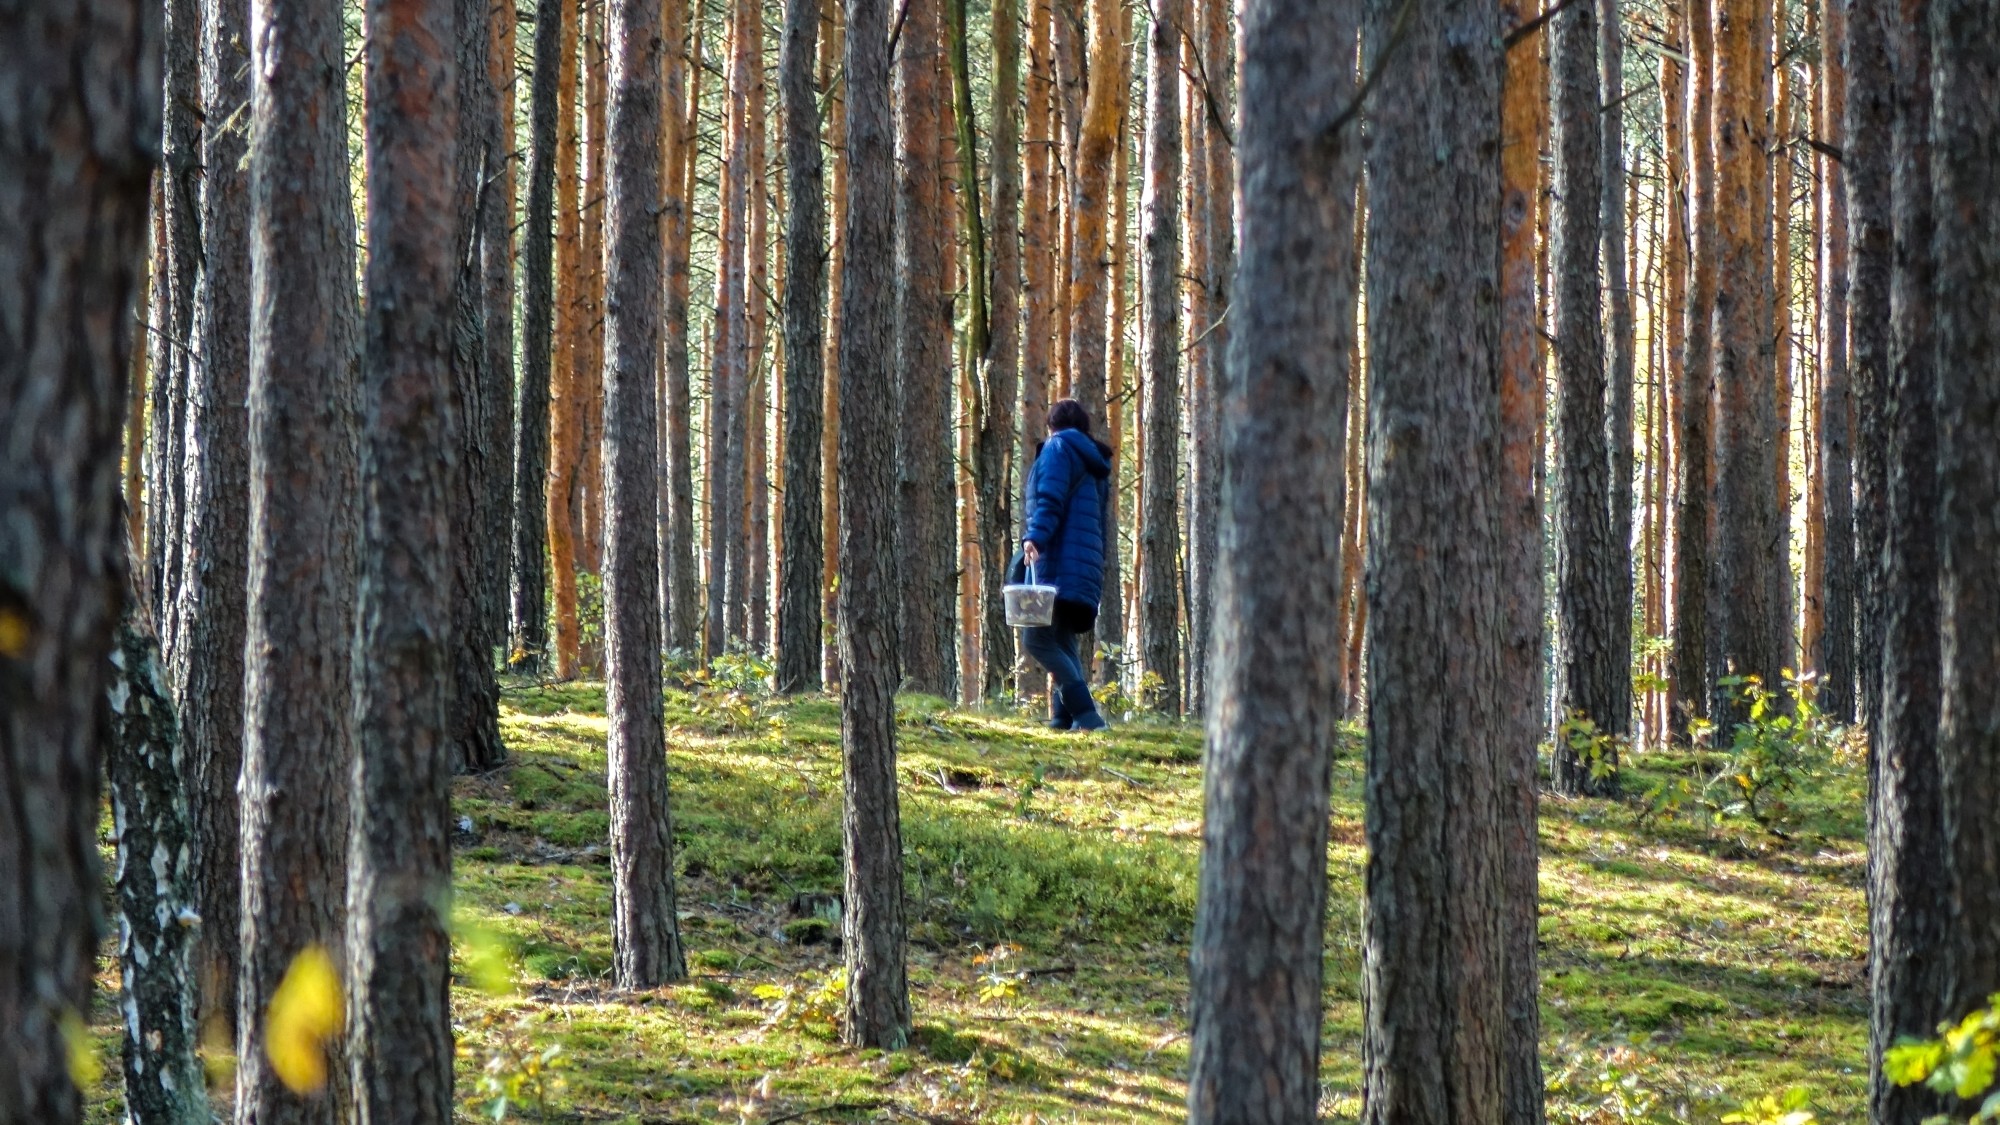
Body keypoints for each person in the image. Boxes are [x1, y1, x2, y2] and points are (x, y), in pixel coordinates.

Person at [1018, 399, 1113, 731]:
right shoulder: (1093, 460)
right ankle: (1063, 717)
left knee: (1037, 640)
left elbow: (1050, 499)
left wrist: (1035, 537)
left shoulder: (1058, 448)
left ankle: (1087, 716)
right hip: (1083, 565)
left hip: (1058, 561)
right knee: (1061, 638)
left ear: (1051, 425)